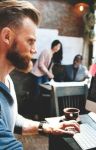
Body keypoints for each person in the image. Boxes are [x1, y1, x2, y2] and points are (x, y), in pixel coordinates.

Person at [0, 0, 79, 149]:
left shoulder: (6, 79)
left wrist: (45, 127)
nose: (34, 49)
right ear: (7, 37)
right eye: (30, 41)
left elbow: (11, 119)